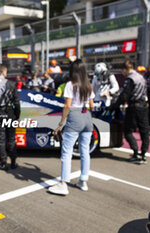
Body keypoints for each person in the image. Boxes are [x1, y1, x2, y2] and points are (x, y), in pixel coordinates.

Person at [48, 59, 94, 195]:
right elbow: (92, 105)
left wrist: (60, 123)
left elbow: (67, 105)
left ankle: (63, 184)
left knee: (66, 151)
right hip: (87, 117)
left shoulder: (70, 84)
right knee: (84, 150)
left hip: (74, 117)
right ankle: (83, 181)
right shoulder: (88, 85)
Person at [111, 60, 149, 164]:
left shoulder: (130, 78)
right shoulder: (141, 77)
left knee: (127, 130)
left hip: (134, 106)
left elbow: (124, 95)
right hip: (144, 106)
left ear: (125, 69)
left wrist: (115, 105)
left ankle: (136, 153)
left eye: (122, 71)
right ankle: (143, 154)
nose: (122, 74)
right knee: (144, 131)